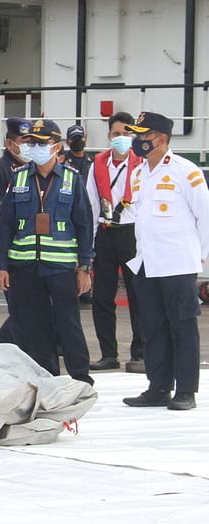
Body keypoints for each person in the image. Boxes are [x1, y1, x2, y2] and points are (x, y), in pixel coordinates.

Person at [0, 119, 94, 385]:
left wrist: (84, 267)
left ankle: (80, 377)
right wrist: (1, 263)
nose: (35, 147)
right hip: (25, 266)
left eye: (42, 143)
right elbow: (5, 225)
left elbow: (84, 225)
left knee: (68, 322)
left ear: (56, 147)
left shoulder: (72, 179)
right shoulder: (19, 178)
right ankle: (47, 377)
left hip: (61, 267)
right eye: (32, 143)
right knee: (34, 324)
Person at [122, 112, 209, 411]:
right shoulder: (138, 173)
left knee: (183, 326)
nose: (137, 141)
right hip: (147, 262)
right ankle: (158, 386)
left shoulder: (186, 171)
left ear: (159, 138)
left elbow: (205, 215)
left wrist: (200, 256)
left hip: (178, 263)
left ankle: (186, 390)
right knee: (153, 328)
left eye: (142, 135)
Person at [85, 112, 146, 373]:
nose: (121, 138)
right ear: (109, 136)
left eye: (126, 133)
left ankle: (140, 353)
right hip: (106, 231)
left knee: (138, 295)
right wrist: (89, 244)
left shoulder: (142, 164)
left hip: (133, 233)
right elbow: (90, 203)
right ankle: (108, 353)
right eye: (116, 134)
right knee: (102, 297)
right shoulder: (97, 163)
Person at [0, 117, 33, 344]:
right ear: (10, 143)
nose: (29, 146)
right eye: (24, 140)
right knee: (22, 308)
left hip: (32, 252)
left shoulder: (32, 169)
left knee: (32, 306)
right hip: (11, 253)